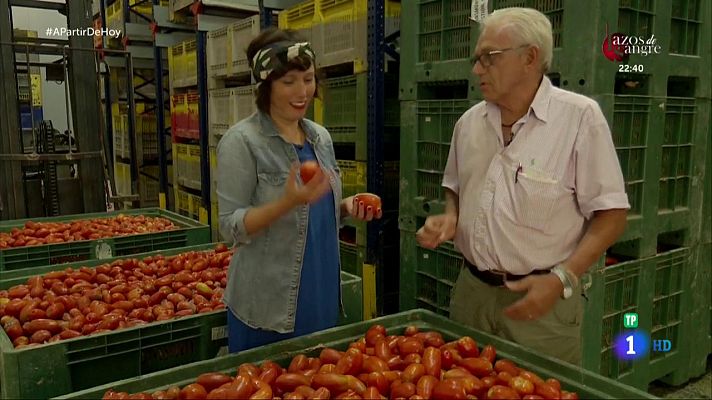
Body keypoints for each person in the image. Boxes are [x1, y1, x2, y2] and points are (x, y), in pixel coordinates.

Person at [416, 7, 629, 365]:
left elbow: (612, 214)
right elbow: (455, 186)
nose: (476, 69)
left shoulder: (579, 119)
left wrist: (563, 277)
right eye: (476, 59)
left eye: (489, 58)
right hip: (472, 295)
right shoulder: (468, 124)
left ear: (530, 57)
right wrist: (451, 216)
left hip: (541, 306)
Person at [216, 28, 382, 352]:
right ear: (266, 85)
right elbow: (229, 226)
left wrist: (345, 207)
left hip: (319, 298)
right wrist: (286, 203)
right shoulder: (241, 142)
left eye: (308, 78)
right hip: (268, 307)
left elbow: (316, 215)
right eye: (288, 81)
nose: (302, 91)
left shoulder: (320, 138)